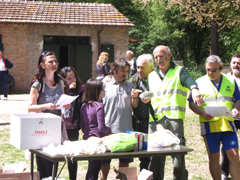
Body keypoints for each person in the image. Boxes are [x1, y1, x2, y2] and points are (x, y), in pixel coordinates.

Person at [142, 45, 203, 180]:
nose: (159, 59)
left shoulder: (179, 71)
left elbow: (189, 81)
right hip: (155, 121)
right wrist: (145, 99)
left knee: (178, 157)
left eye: (162, 56)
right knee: (156, 158)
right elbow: (149, 96)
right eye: (156, 57)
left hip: (174, 120)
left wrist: (194, 89)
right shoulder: (151, 76)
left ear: (169, 56)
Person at [188, 55, 240, 180]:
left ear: (221, 68)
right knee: (214, 157)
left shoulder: (231, 81)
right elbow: (191, 104)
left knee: (234, 155)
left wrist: (236, 109)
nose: (210, 72)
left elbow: (238, 100)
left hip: (228, 124)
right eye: (208, 70)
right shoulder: (199, 82)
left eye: (214, 70)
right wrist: (201, 113)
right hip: (209, 125)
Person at [28, 51, 71, 179]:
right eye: (50, 61)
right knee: (44, 165)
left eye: (55, 61)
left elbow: (61, 102)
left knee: (54, 163)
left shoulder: (61, 82)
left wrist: (66, 106)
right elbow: (30, 107)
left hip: (57, 127)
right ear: (42, 65)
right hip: (42, 129)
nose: (54, 64)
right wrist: (47, 106)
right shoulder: (38, 84)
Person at [101, 58, 140, 180]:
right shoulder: (104, 85)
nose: (125, 74)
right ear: (114, 69)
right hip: (108, 130)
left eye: (127, 71)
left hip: (125, 130)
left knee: (124, 162)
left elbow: (135, 105)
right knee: (105, 162)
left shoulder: (130, 86)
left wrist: (135, 97)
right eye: (122, 71)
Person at [81, 78, 111, 180]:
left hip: (87, 138)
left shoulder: (83, 106)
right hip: (97, 141)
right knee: (95, 169)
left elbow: (82, 126)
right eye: (102, 89)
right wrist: (110, 130)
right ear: (96, 91)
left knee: (91, 168)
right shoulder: (99, 106)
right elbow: (102, 128)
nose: (104, 91)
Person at [129, 53, 154, 171]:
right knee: (143, 156)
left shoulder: (157, 79)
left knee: (156, 156)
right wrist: (134, 97)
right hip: (140, 122)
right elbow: (134, 104)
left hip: (154, 122)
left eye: (142, 67)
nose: (139, 70)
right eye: (138, 67)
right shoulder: (134, 80)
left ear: (151, 67)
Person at [59, 66, 84, 180]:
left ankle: (73, 177)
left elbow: (79, 106)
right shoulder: (58, 89)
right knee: (58, 152)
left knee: (72, 155)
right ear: (63, 81)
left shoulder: (80, 89)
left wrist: (73, 91)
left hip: (73, 126)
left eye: (73, 77)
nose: (72, 80)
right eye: (69, 78)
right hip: (61, 126)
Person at [221, 54, 240, 180]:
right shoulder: (226, 79)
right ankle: (224, 172)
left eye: (238, 63)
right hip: (231, 118)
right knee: (228, 146)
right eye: (234, 62)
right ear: (230, 64)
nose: (236, 65)